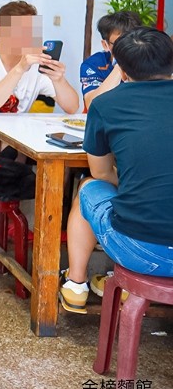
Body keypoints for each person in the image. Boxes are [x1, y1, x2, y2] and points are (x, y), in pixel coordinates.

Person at [59, 27, 173, 314]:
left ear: (121, 72)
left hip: (141, 252)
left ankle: (75, 284)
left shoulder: (106, 105)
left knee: (88, 187)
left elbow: (101, 173)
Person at [0, 1, 80, 144]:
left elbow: (72, 107)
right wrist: (20, 68)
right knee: (11, 144)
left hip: (11, 137)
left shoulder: (36, 64)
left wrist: (59, 80)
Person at [80, 10, 143, 110]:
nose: (127, 47)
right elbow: (92, 105)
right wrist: (120, 66)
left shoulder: (149, 60)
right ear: (106, 45)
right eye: (120, 43)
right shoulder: (94, 64)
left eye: (131, 41)